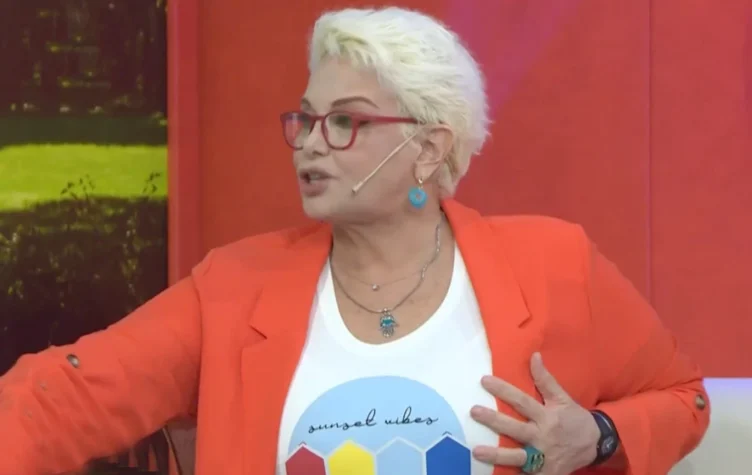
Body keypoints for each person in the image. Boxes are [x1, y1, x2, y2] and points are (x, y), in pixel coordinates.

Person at [0, 7, 709, 475]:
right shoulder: (235, 286)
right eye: (306, 120)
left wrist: (598, 436)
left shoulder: (555, 264)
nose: (311, 143)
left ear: (428, 148)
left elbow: (685, 398)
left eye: (345, 122)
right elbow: (62, 399)